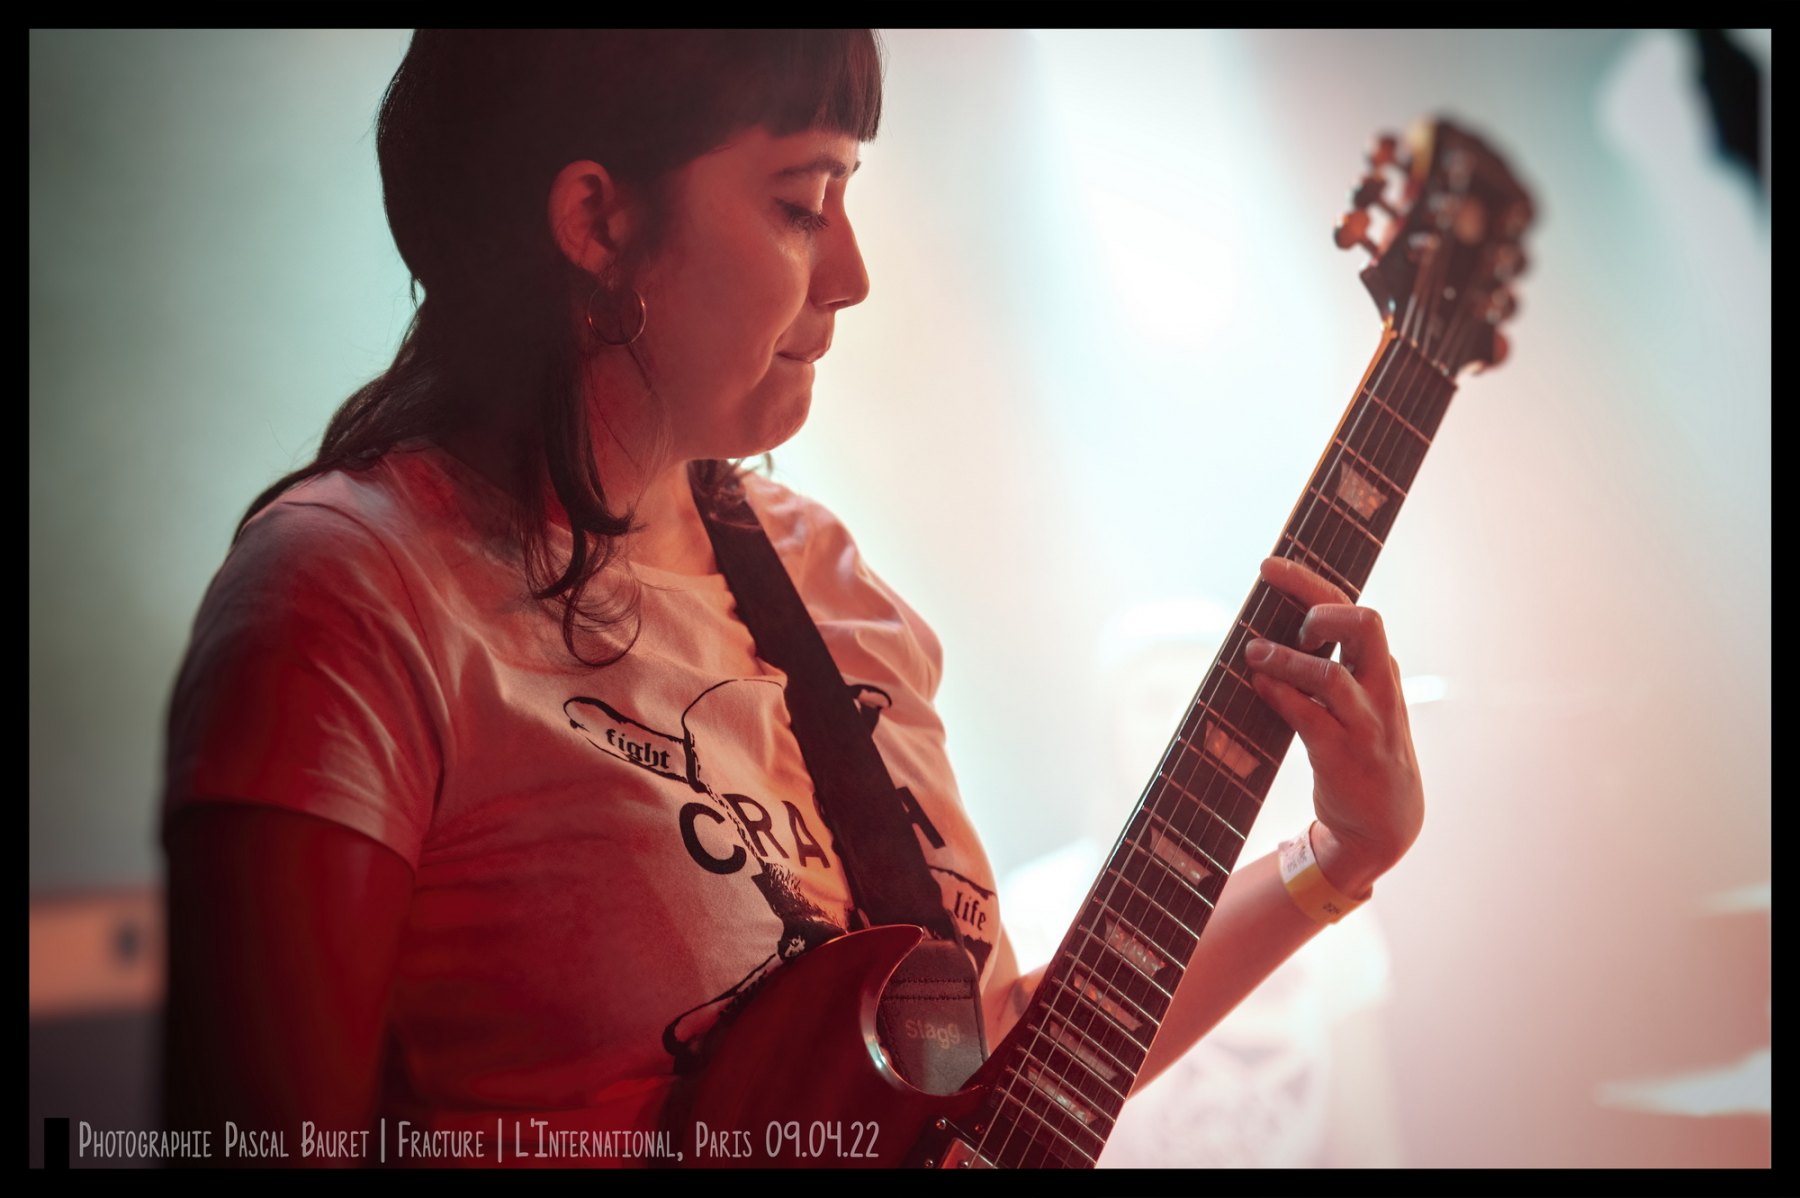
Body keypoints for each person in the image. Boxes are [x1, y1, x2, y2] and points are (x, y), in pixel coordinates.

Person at [159, 29, 1424, 1167]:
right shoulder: (351, 593)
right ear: (597, 219)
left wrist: (1332, 862)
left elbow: (979, 1079)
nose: (855, 271)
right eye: (802, 203)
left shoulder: (829, 581)